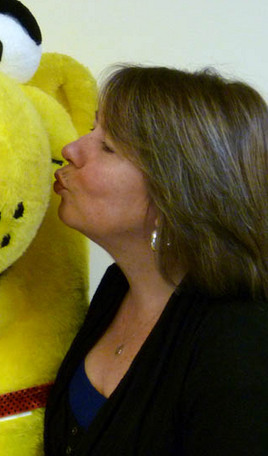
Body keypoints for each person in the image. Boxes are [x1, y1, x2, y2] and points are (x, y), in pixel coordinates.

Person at [44, 65, 268, 455]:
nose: (71, 149)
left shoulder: (241, 342)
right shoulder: (118, 285)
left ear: (176, 193)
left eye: (107, 146)